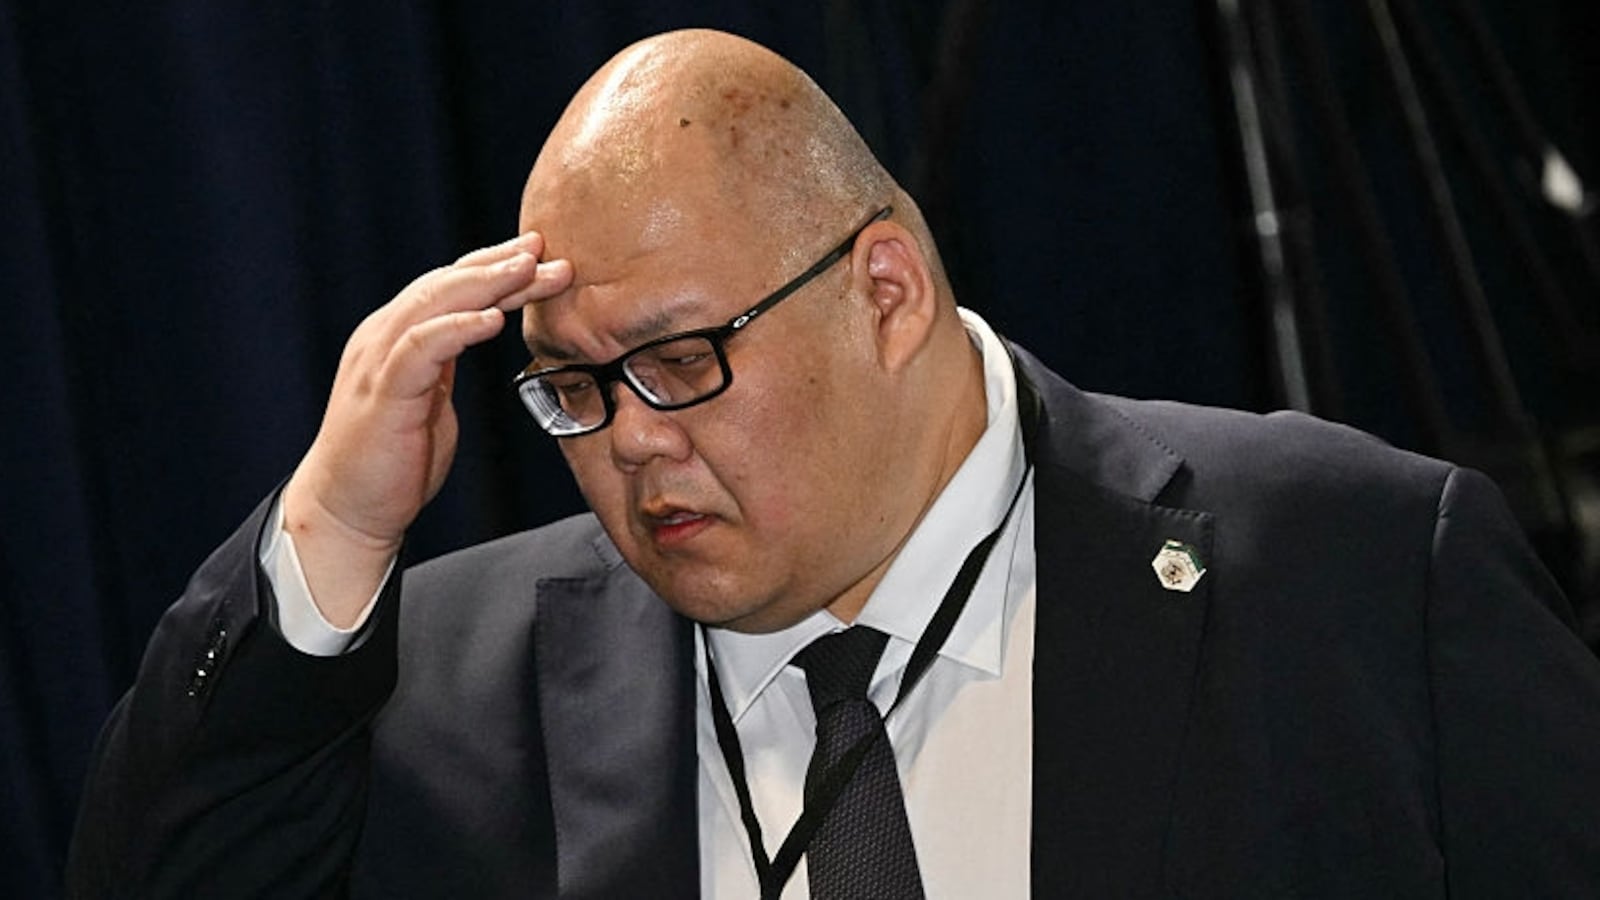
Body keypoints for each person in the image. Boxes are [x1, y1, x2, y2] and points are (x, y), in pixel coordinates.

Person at [69, 28, 1600, 899]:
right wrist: (333, 526)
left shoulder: (1356, 568)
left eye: (679, 362)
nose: (634, 443)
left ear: (886, 291)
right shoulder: (447, 684)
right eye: (573, 392)